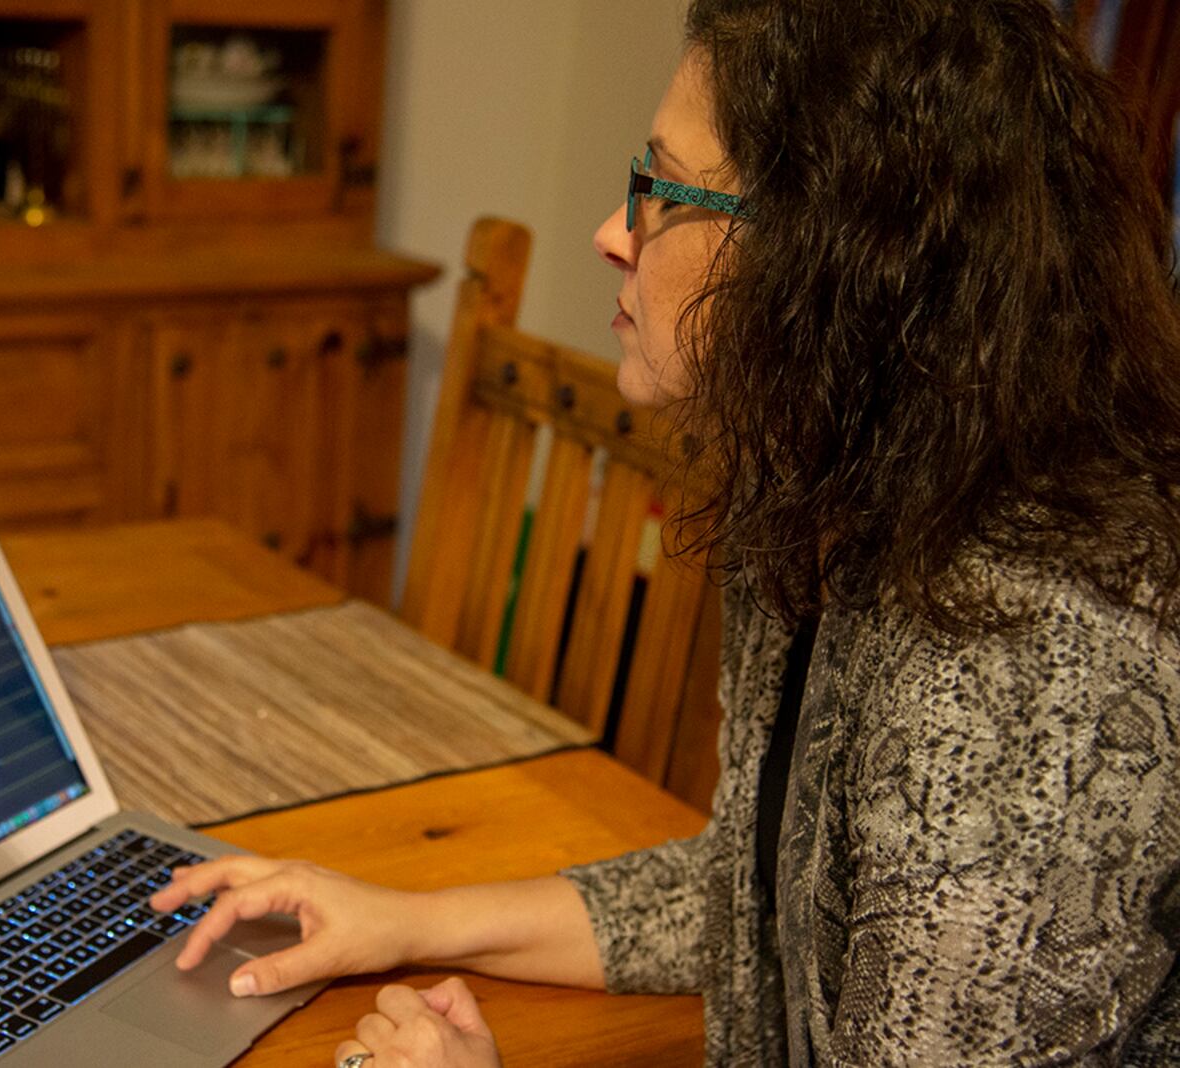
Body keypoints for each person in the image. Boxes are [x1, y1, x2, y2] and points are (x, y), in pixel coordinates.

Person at [150, 0, 1180, 1063]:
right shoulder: (828, 490)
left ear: (830, 253)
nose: (610, 232)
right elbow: (759, 899)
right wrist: (403, 919)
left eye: (658, 187)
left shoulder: (1019, 660)